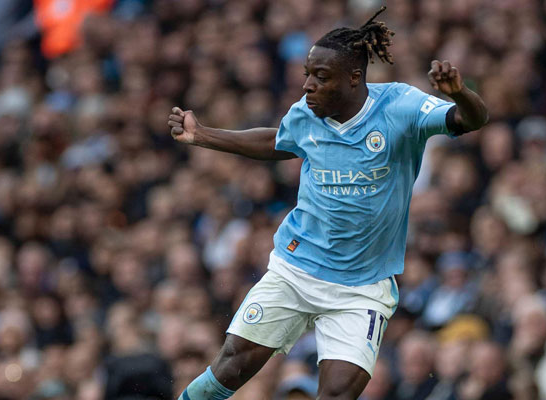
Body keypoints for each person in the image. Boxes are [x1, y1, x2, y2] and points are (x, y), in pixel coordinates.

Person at [167, 7, 488, 400]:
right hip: (296, 269)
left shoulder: (401, 107)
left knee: (336, 394)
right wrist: (202, 135)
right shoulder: (307, 114)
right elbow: (276, 141)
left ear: (353, 77)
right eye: (307, 73)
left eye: (320, 76)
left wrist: (459, 93)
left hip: (362, 288)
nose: (308, 85)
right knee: (231, 366)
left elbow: (471, 120)